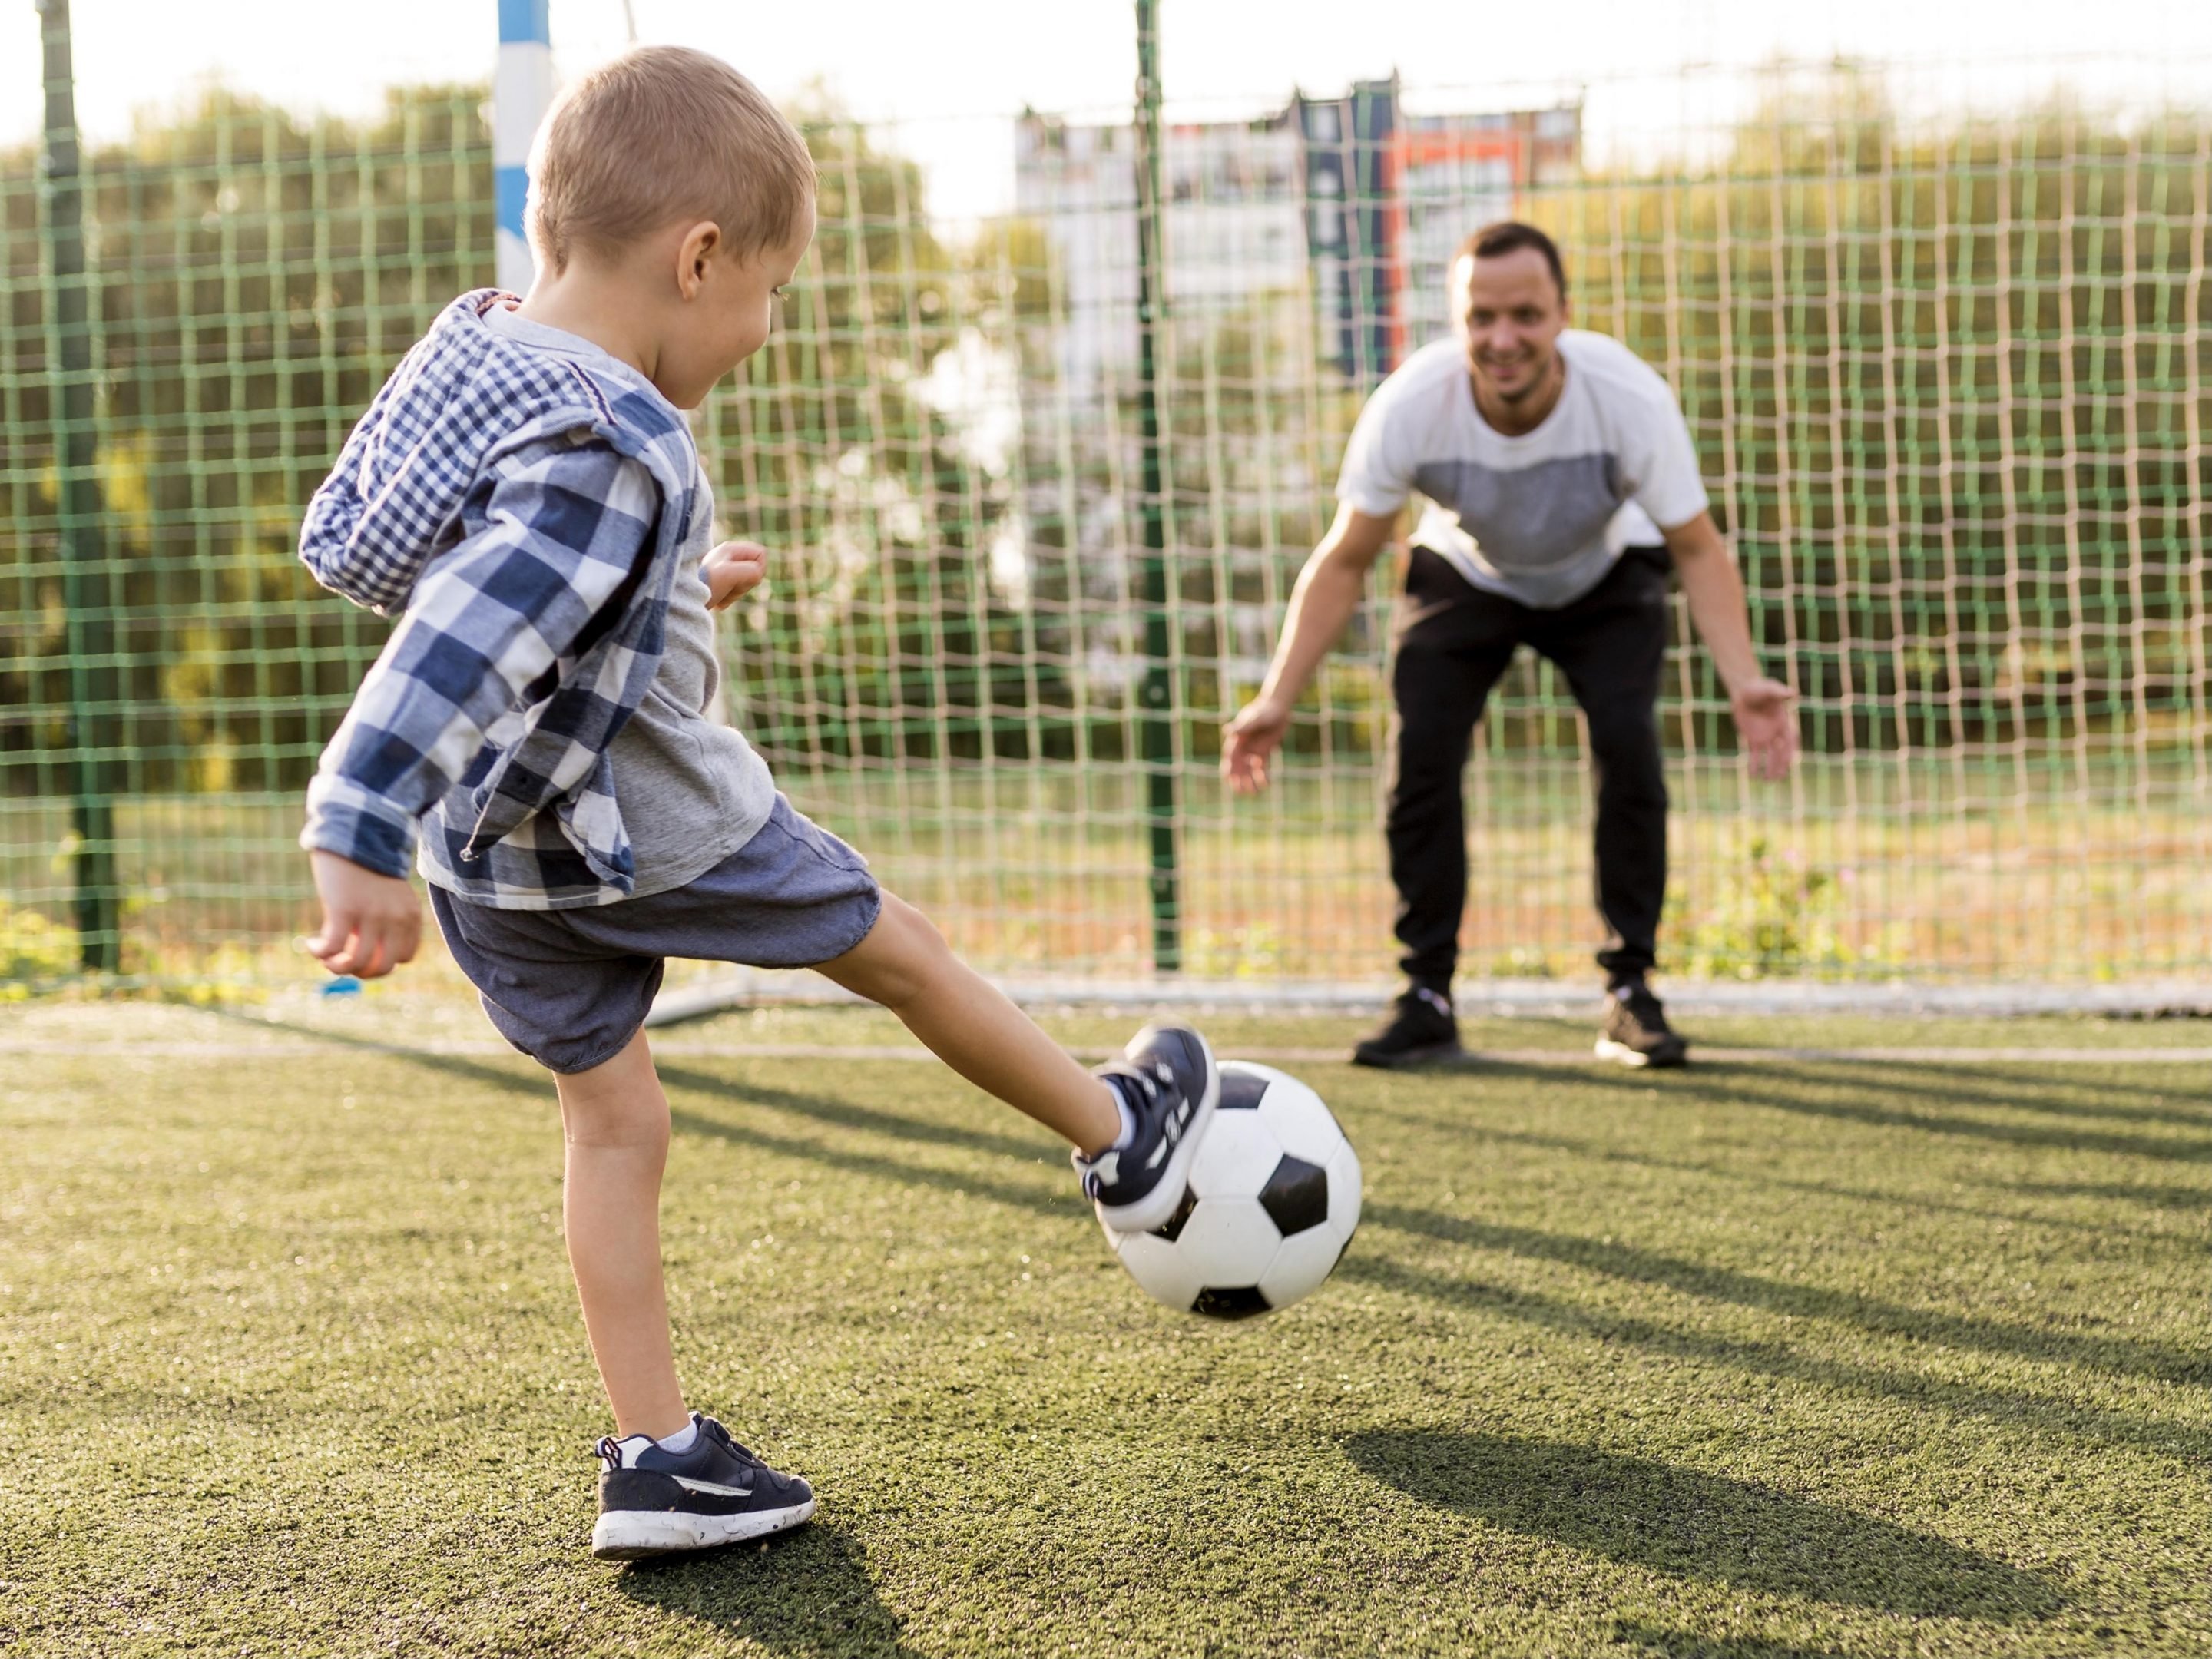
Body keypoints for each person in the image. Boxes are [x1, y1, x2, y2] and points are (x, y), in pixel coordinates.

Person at [293, 46, 1218, 1562]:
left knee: (613, 1127)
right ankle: (1123, 1135)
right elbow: (462, 630)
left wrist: (654, 589)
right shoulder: (610, 443)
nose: (765, 330)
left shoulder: (475, 358)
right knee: (896, 946)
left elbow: (394, 545)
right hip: (639, 819)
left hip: (499, 868)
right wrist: (352, 821)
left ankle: (656, 1459)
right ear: (698, 256)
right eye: (768, 292)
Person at [1222, 221, 1796, 1071]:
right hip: (1467, 572)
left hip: (1604, 573)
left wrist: (1744, 679)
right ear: (1457, 319)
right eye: (1481, 317)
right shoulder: (1412, 407)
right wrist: (1276, 696)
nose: (1503, 339)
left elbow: (1698, 548)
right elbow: (1345, 558)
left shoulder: (1628, 399)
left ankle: (1630, 990)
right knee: (1420, 757)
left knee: (1628, 746)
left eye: (1525, 315)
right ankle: (1427, 994)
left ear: (1563, 314)